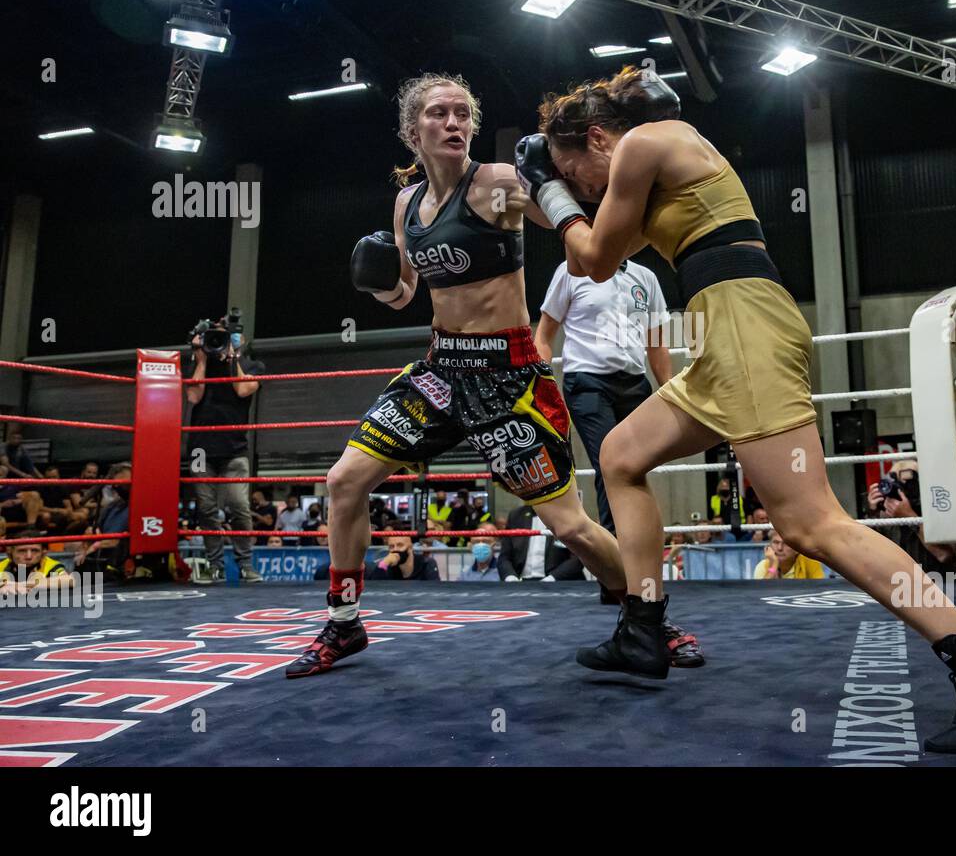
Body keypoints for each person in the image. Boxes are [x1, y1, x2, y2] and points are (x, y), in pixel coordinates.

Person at [518, 65, 956, 752]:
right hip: (724, 333)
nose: (586, 188)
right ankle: (642, 629)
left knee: (810, 523)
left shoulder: (649, 142)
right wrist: (539, 191)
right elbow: (596, 239)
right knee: (621, 455)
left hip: (744, 329)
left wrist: (550, 191)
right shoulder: (663, 168)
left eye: (578, 171)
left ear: (597, 137)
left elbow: (588, 256)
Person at [286, 72, 700, 678]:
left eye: (462, 113)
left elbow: (586, 217)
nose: (453, 123)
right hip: (440, 372)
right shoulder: (407, 205)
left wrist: (560, 182)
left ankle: (651, 620)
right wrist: (378, 283)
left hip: (509, 377)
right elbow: (407, 293)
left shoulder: (499, 187)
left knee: (572, 526)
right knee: (345, 481)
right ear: (412, 131)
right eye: (438, 114)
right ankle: (344, 623)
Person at [536, 254, 672, 602]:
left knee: (633, 471)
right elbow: (545, 334)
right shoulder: (570, 270)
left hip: (635, 384)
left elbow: (656, 342)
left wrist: (672, 391)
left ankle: (632, 574)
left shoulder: (646, 277)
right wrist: (540, 389)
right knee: (610, 467)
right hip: (588, 382)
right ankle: (617, 578)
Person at [185, 313, 266, 584]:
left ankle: (245, 565)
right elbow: (193, 395)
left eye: (226, 335)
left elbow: (243, 390)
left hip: (235, 448)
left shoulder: (253, 365)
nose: (219, 340)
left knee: (239, 506)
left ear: (239, 339)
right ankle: (215, 565)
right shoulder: (200, 364)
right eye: (215, 336)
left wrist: (232, 358)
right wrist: (201, 359)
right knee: (207, 509)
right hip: (200, 450)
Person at [867, 462, 956, 575]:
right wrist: (873, 514)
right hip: (903, 584)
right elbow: (870, 557)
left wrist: (910, 518)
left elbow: (944, 555)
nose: (898, 490)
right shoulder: (888, 516)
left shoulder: (940, 509)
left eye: (906, 484)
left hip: (943, 583)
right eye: (894, 483)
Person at [0, 531, 76, 595]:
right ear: (10, 553)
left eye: (34, 550)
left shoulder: (50, 565)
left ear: (43, 553)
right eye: (22, 551)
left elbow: (69, 580)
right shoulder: (1, 565)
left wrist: (20, 585)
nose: (28, 556)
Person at [753, 530, 824, 580]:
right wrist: (774, 565)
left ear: (797, 549)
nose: (779, 548)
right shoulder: (763, 566)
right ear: (770, 546)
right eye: (776, 542)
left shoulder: (810, 562)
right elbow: (763, 592)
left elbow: (820, 591)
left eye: (786, 543)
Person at [369, 534, 439, 582]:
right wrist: (384, 563)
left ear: (410, 548)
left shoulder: (426, 563)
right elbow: (375, 587)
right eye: (391, 546)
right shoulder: (388, 565)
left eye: (400, 545)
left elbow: (435, 590)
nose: (395, 549)